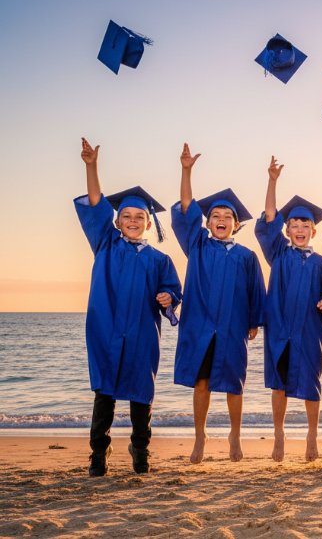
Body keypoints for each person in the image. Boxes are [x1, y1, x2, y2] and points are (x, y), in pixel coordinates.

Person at [75, 138, 182, 475]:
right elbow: (95, 206)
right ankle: (98, 454)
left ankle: (140, 450)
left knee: (141, 398)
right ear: (117, 222)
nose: (133, 220)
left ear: (149, 223)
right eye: (126, 216)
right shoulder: (105, 244)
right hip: (106, 331)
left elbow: (172, 292)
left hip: (141, 335)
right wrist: (91, 167)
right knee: (104, 395)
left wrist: (168, 299)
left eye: (140, 216)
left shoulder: (160, 259)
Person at [172, 143, 265, 464]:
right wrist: (186, 171)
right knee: (202, 382)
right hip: (199, 325)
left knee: (234, 384)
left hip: (232, 327)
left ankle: (235, 436)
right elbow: (185, 210)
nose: (221, 219)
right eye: (215, 215)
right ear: (208, 223)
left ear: (236, 224)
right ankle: (200, 436)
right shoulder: (197, 244)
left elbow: (257, 290)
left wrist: (254, 322)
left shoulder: (247, 256)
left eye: (228, 216)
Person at [254, 156, 322, 462]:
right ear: (286, 230)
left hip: (309, 331)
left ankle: (312, 435)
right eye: (294, 224)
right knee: (279, 384)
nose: (300, 228)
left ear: (314, 232)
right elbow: (267, 221)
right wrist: (272, 181)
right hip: (279, 330)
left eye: (306, 225)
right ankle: (279, 434)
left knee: (311, 385)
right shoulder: (277, 253)